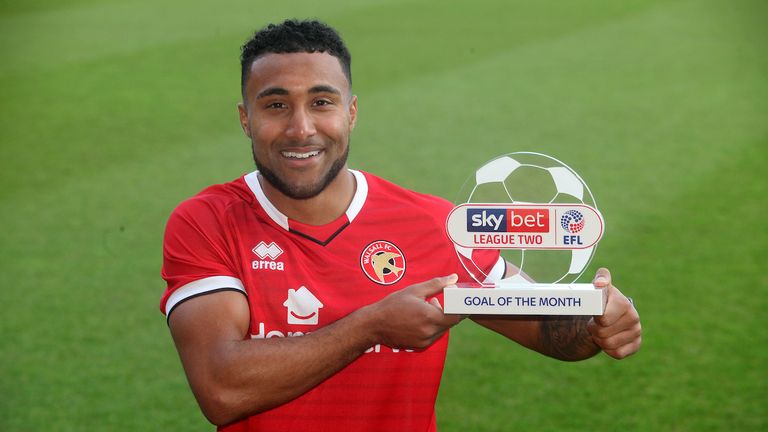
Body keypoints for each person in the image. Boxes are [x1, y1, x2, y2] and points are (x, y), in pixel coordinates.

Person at [160, 19, 641, 431]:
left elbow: (547, 329)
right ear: (246, 119)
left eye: (322, 102)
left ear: (351, 113)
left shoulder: (433, 223)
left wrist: (597, 321)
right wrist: (370, 326)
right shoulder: (206, 222)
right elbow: (222, 388)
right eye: (276, 105)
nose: (301, 128)